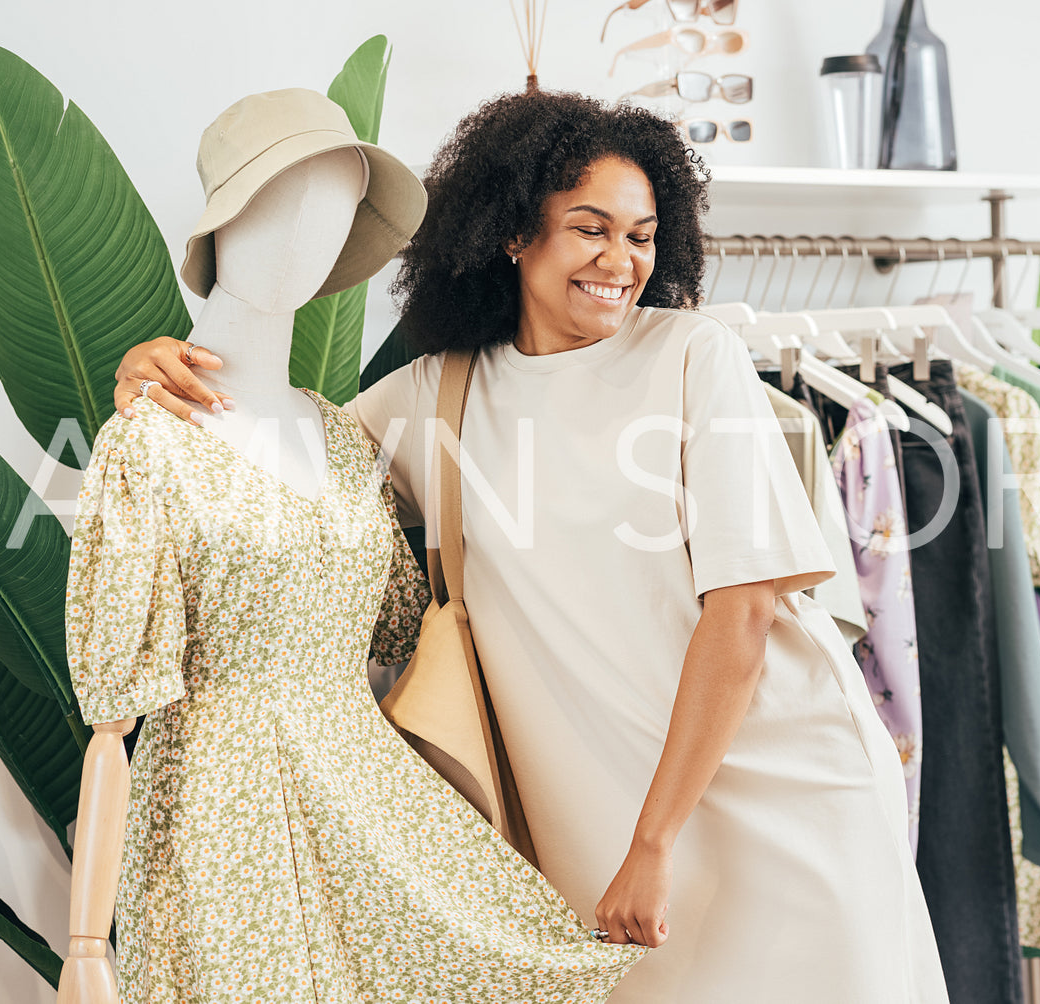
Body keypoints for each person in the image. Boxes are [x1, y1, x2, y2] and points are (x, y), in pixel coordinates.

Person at [113, 90, 948, 1003]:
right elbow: (275, 454)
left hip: (772, 793)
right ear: (514, 234)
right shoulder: (431, 397)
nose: (619, 261)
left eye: (641, 235)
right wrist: (145, 369)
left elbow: (743, 616)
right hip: (589, 815)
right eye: (590, 228)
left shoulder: (691, 358)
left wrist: (652, 843)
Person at [64, 88, 642, 1004]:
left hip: (365, 796)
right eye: (277, 204)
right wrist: (85, 944)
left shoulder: (345, 436)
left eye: (331, 210)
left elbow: (393, 644)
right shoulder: (150, 438)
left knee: (523, 956)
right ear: (223, 221)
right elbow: (110, 724)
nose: (304, 235)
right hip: (220, 810)